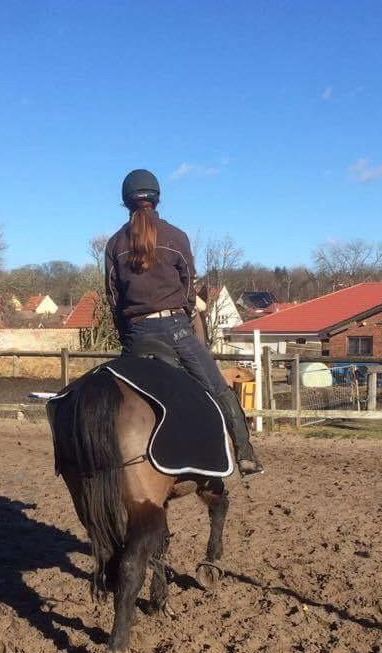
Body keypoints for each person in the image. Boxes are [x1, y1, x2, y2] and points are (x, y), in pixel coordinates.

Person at [105, 169, 263, 475]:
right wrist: (184, 313)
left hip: (137, 333)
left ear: (126, 202)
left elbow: (113, 297)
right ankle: (245, 454)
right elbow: (189, 286)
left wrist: (128, 335)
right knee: (219, 390)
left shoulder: (114, 244)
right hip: (176, 329)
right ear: (157, 198)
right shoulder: (176, 237)